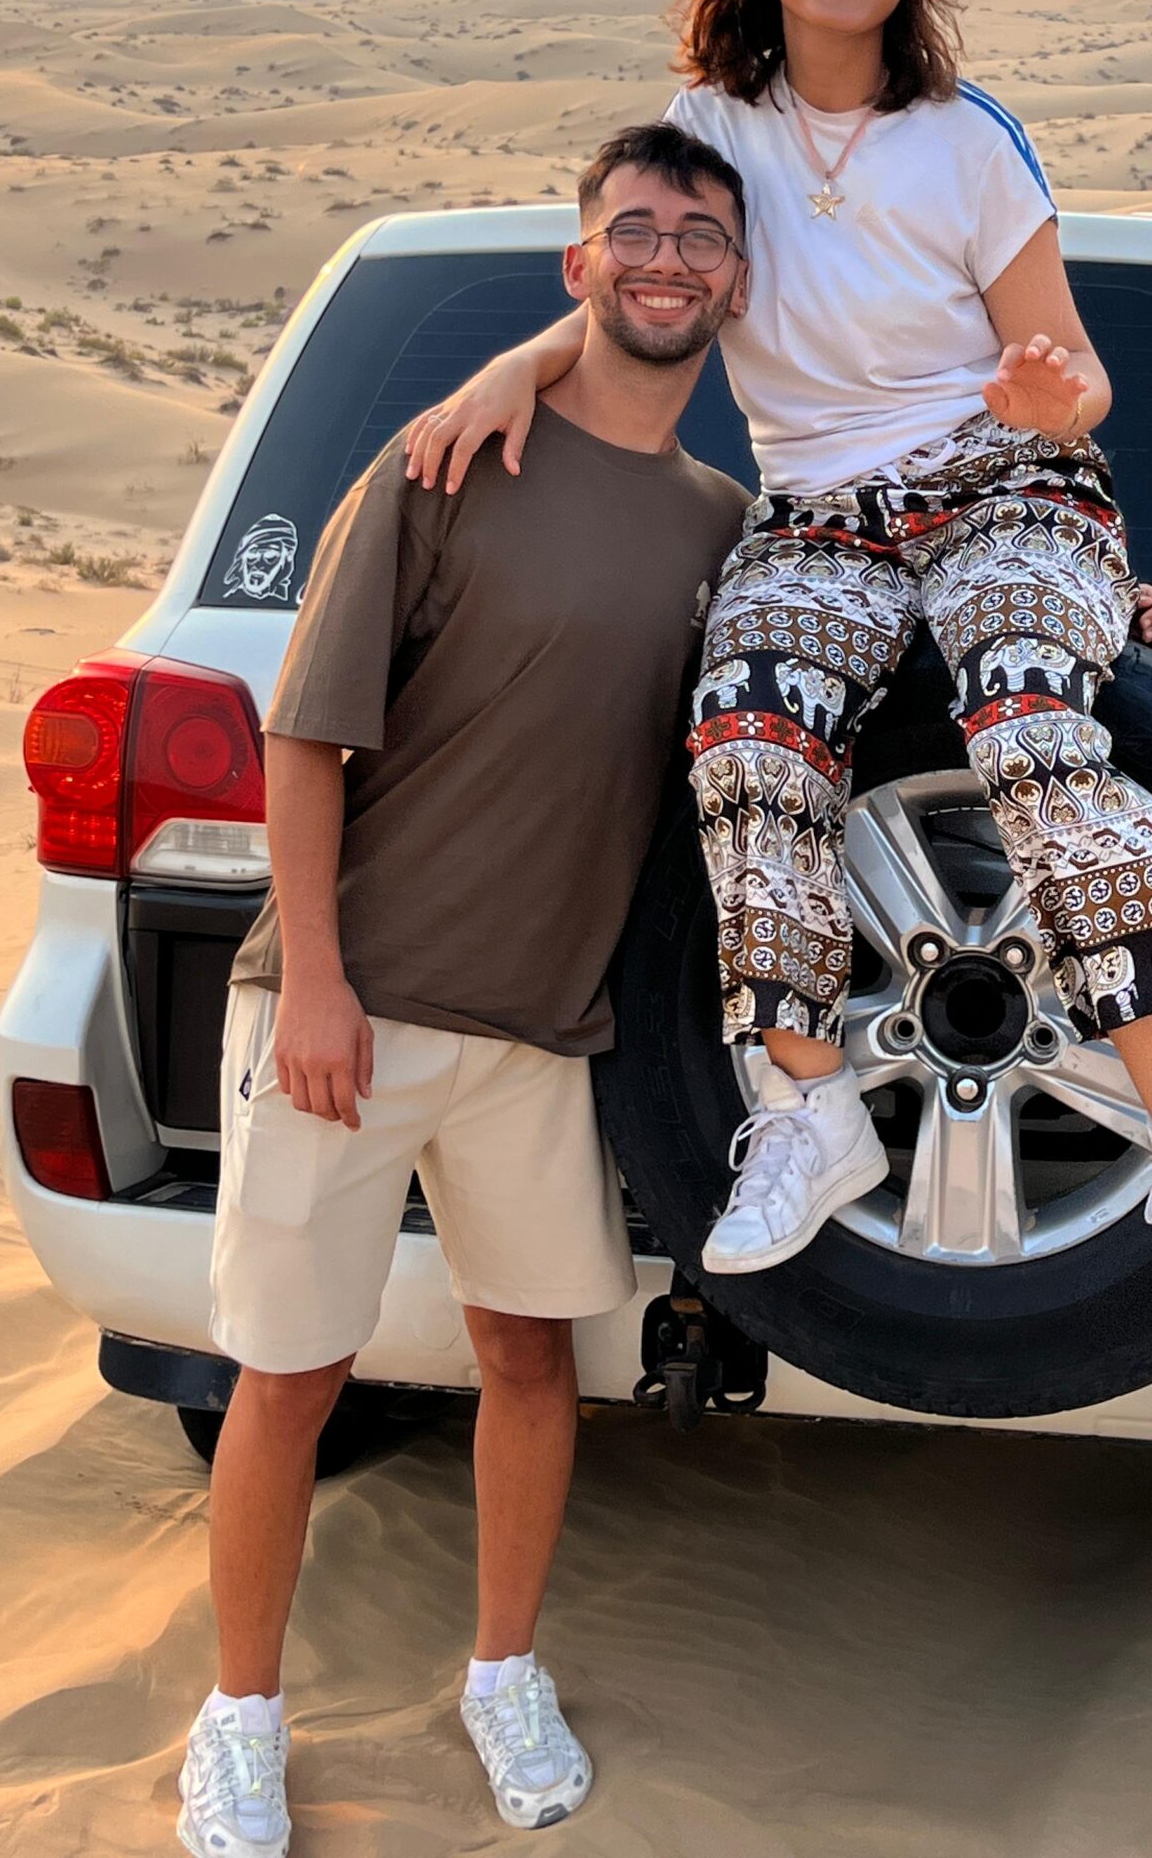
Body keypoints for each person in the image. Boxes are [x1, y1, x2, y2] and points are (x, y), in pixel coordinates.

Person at [407, 0, 1152, 1352]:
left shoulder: (966, 140)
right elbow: (647, 280)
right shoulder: (711, 125)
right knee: (745, 742)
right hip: (818, 516)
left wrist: (1050, 401)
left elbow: (1076, 374)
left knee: (1032, 727)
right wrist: (514, 368)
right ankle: (811, 1114)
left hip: (1002, 487)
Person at [178, 127, 754, 1858]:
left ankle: (504, 1676)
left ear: (736, 282)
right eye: (633, 230)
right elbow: (306, 736)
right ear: (579, 267)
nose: (666, 259)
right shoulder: (445, 462)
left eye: (701, 237)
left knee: (529, 1359)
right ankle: (238, 1720)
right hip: (346, 1013)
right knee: (291, 1376)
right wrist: (317, 982)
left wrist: (1123, 608)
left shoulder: (723, 527)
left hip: (542, 1039)